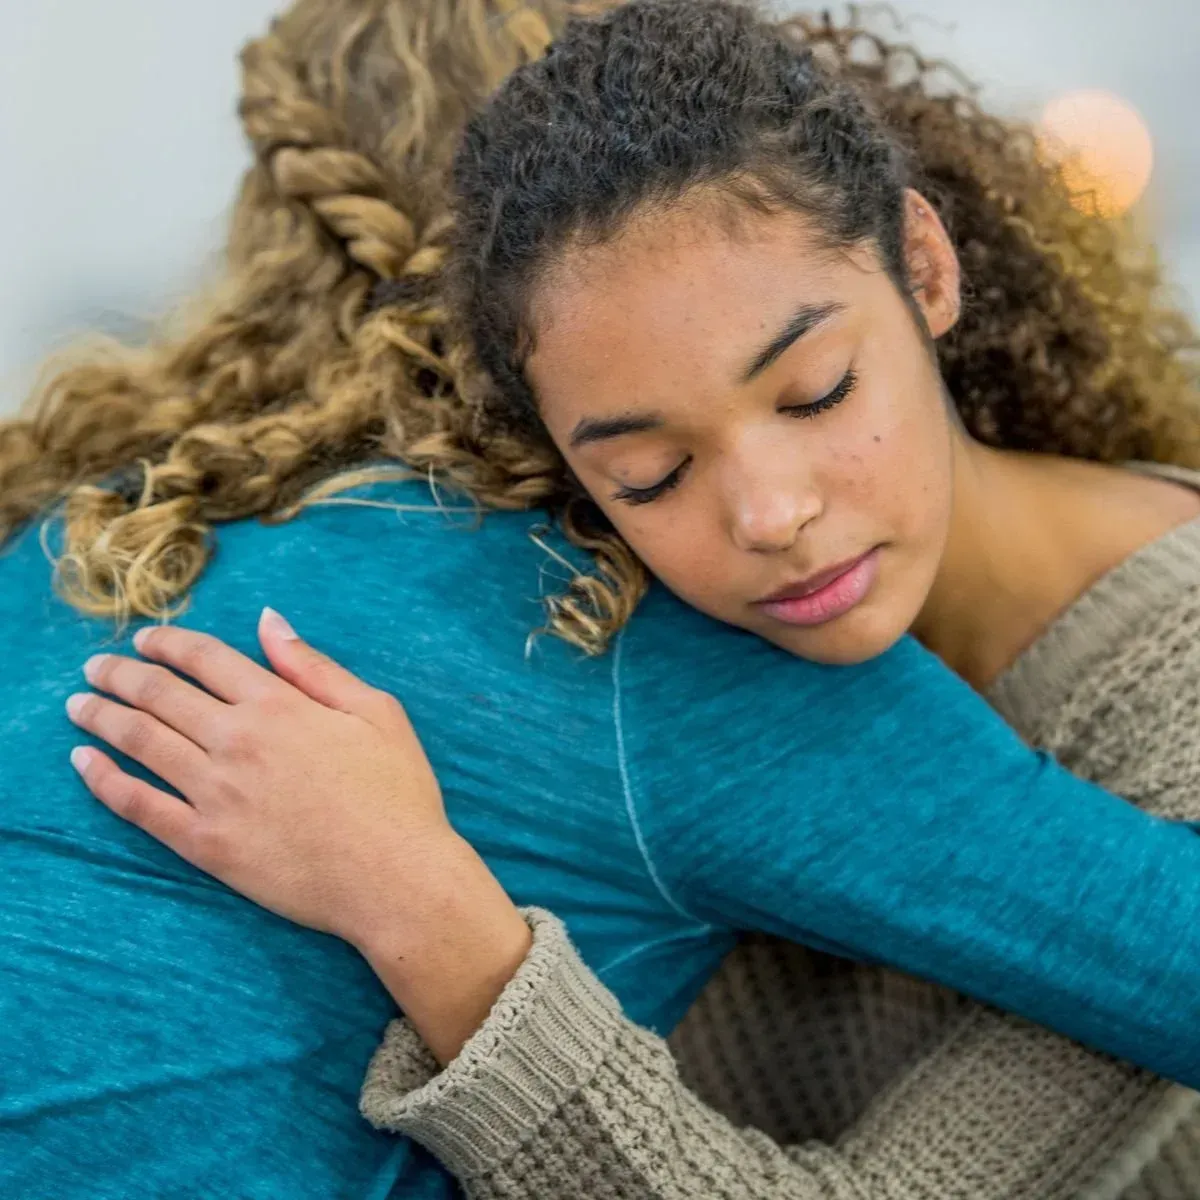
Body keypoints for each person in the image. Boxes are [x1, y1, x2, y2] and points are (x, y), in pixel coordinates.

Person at [5, 3, 1200, 1200]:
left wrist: (428, 913)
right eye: (649, 475)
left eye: (817, 391)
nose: (767, 515)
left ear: (925, 267)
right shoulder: (593, 600)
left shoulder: (1146, 679)